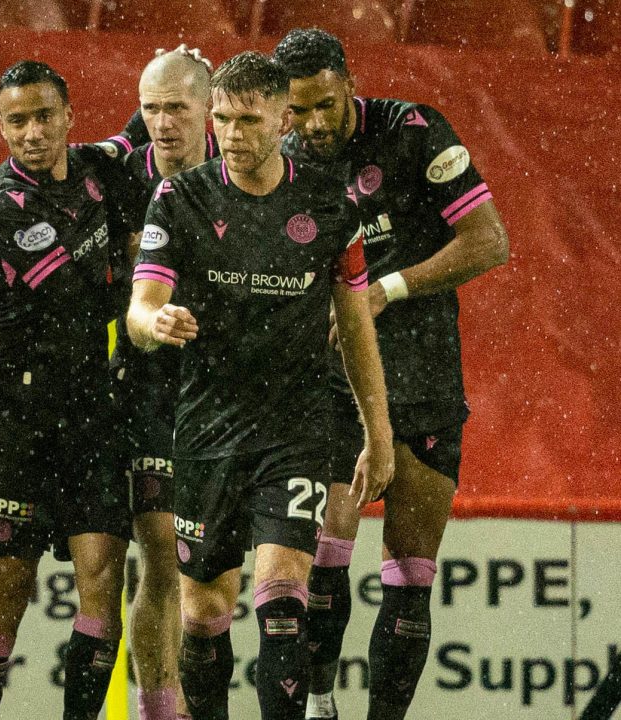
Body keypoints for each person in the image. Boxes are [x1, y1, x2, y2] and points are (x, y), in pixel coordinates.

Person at [126, 51, 394, 720]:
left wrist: (376, 433)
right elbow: (139, 309)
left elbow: (355, 327)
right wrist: (153, 320)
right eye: (221, 119)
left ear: (282, 118)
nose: (232, 135)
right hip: (205, 432)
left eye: (248, 120)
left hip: (293, 431)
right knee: (204, 615)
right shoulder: (180, 197)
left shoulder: (328, 205)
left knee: (281, 601)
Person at [273, 28, 510, 720]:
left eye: (324, 104)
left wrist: (387, 289)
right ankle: (320, 704)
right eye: (300, 110)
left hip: (423, 372)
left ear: (349, 83)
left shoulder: (412, 132)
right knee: (322, 563)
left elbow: (488, 241)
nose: (314, 124)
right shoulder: (285, 161)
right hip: (333, 384)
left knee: (409, 581)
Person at [0, 59, 142, 720]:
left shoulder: (94, 165)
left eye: (43, 117)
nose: (31, 132)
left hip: (92, 412)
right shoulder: (3, 208)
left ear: (67, 115)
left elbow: (144, 129)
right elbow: (90, 292)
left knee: (101, 577)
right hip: (18, 416)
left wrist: (169, 83)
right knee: (7, 593)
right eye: (16, 121)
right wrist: (147, 257)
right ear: (1, 127)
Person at [110, 47, 217, 720]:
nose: (163, 123)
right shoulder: (118, 176)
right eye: (151, 109)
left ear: (209, 109)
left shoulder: (250, 171)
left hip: (231, 391)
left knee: (215, 581)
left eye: (178, 108)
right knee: (159, 558)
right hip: (150, 387)